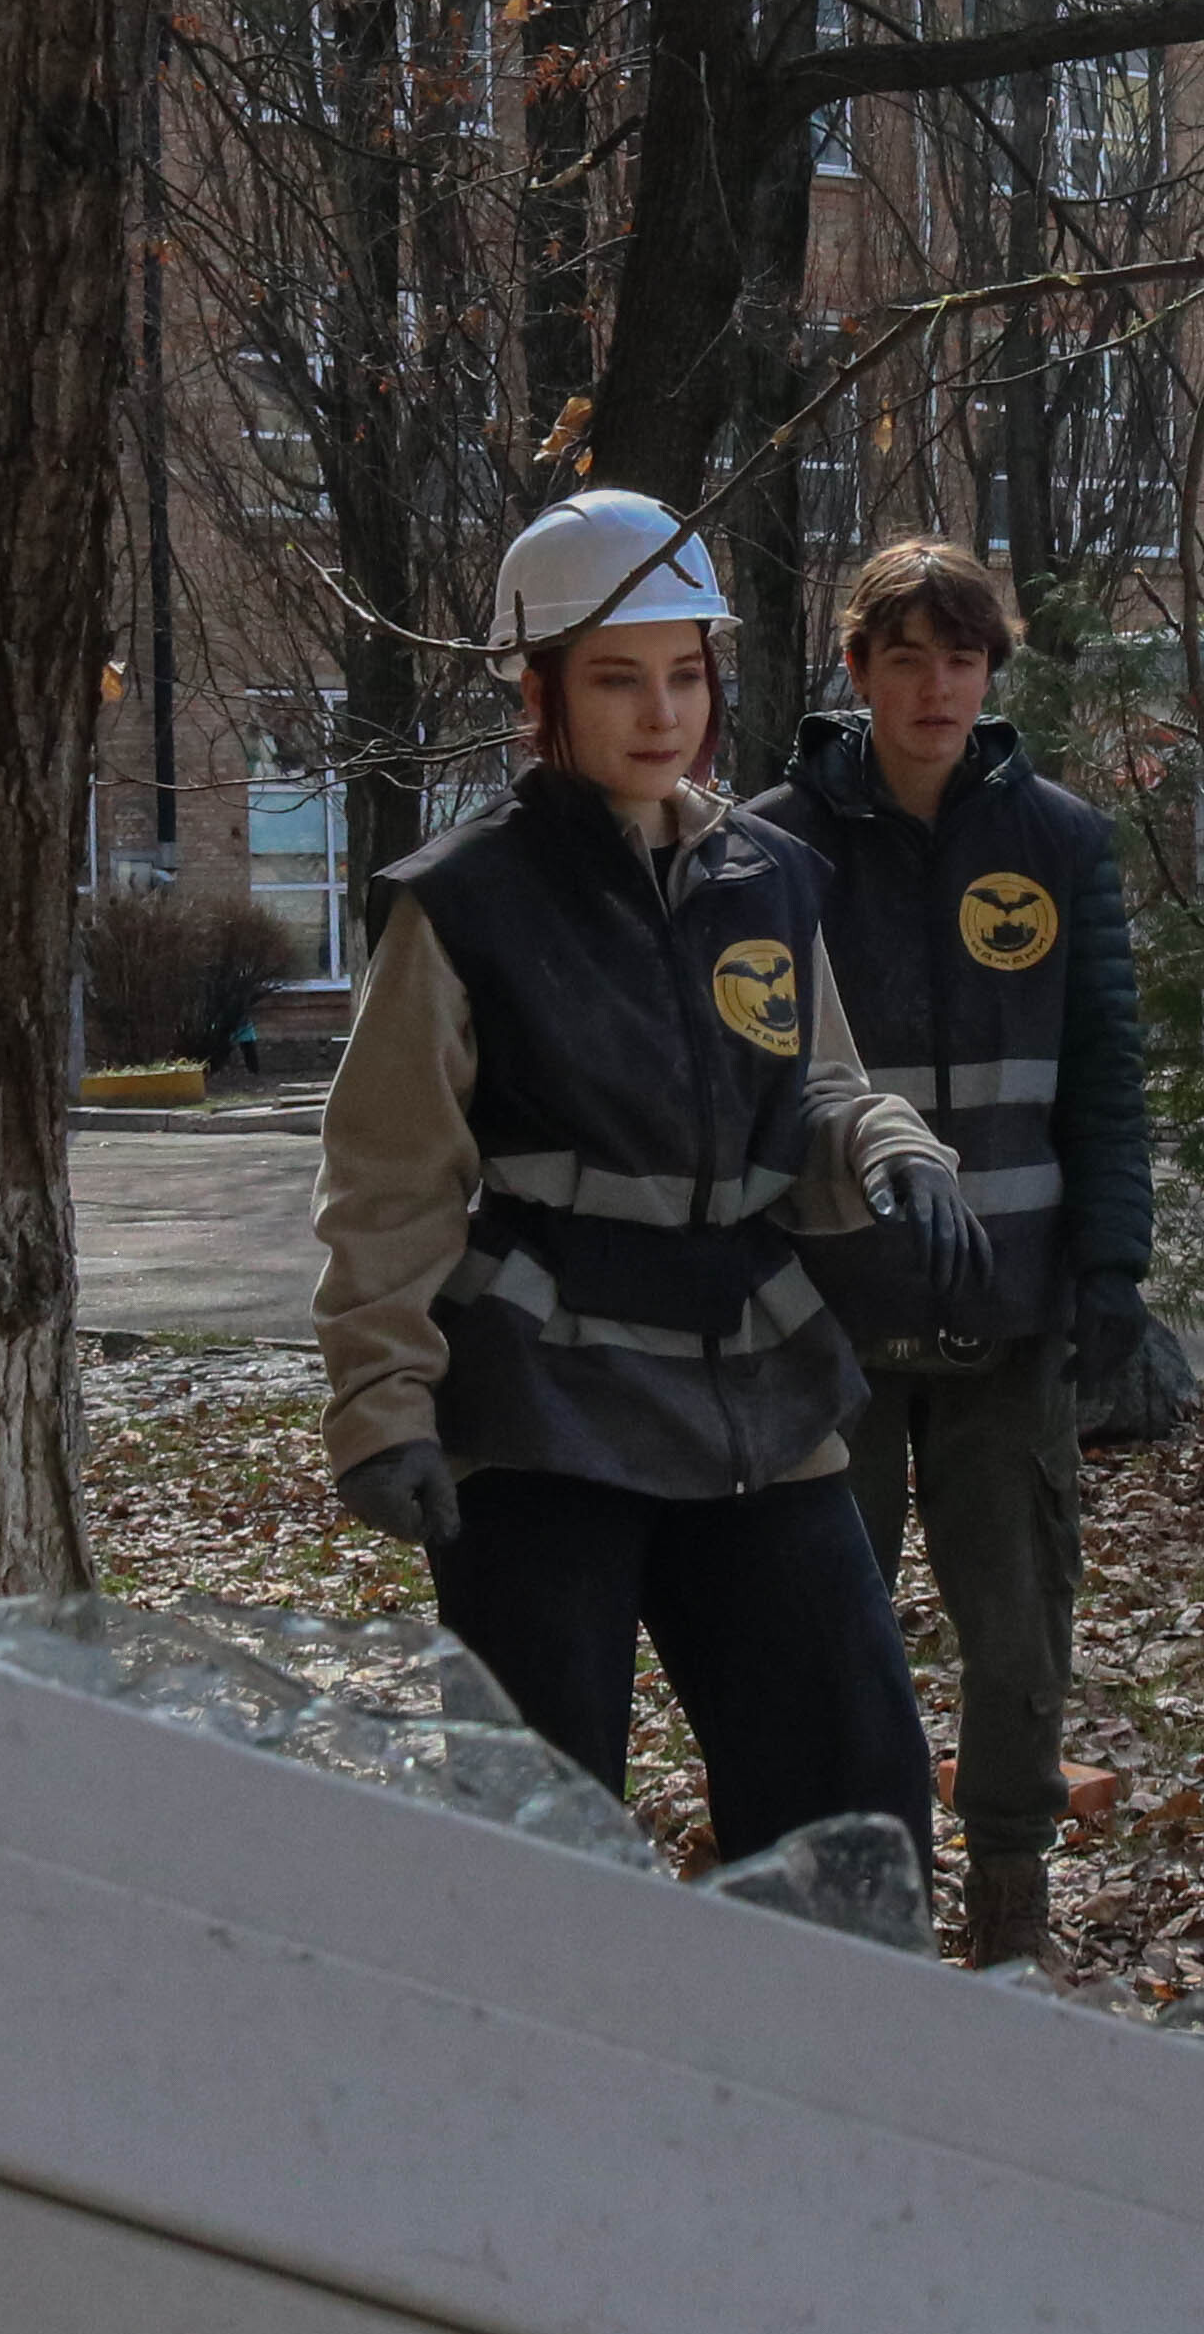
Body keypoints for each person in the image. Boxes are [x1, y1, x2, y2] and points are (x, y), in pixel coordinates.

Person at [311, 489, 988, 1874]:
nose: (661, 712)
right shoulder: (464, 903)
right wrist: (381, 1408)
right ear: (540, 689)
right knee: (546, 1826)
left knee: (857, 1796)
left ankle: (820, 2070)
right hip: (543, 1405)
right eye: (619, 678)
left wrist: (894, 1152)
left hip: (758, 1389)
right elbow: (389, 1177)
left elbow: (823, 1092)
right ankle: (556, 2078)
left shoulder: (771, 879)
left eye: (685, 675)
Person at [762, 539, 1157, 1971]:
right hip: (833, 1323)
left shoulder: (1061, 843)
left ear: (995, 672)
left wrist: (1114, 1273)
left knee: (1016, 1634)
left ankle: (1008, 1899)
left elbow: (1106, 1078)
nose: (937, 687)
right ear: (857, 668)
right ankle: (858, 1902)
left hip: (1013, 1319)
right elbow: (752, 1095)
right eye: (909, 657)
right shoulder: (771, 848)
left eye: (964, 657)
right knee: (831, 1639)